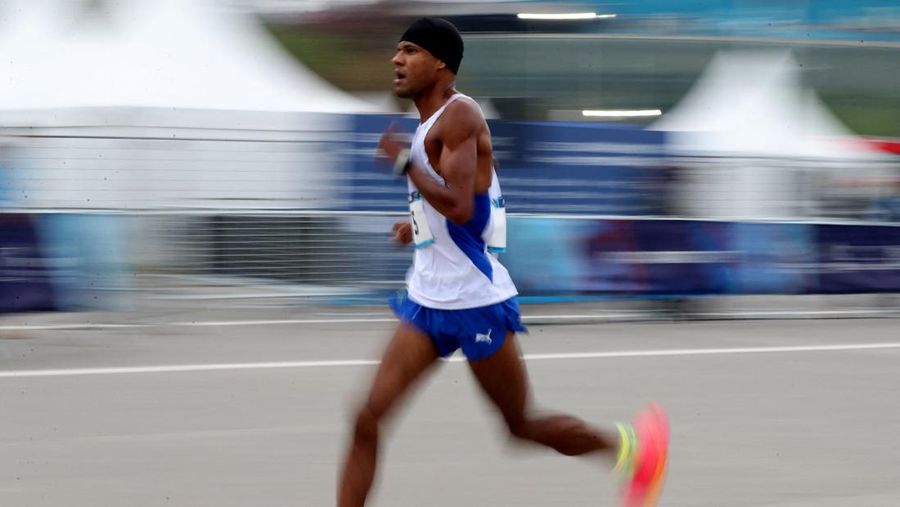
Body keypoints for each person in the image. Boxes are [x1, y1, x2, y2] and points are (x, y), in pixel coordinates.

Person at [337, 17, 669, 507]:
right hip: (427, 301)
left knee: (520, 425)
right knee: (367, 417)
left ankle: (632, 450)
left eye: (409, 50)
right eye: (397, 50)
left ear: (441, 64)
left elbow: (461, 206)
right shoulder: (430, 124)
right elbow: (470, 207)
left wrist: (403, 162)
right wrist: (418, 228)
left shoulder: (460, 115)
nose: (396, 59)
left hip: (475, 302)